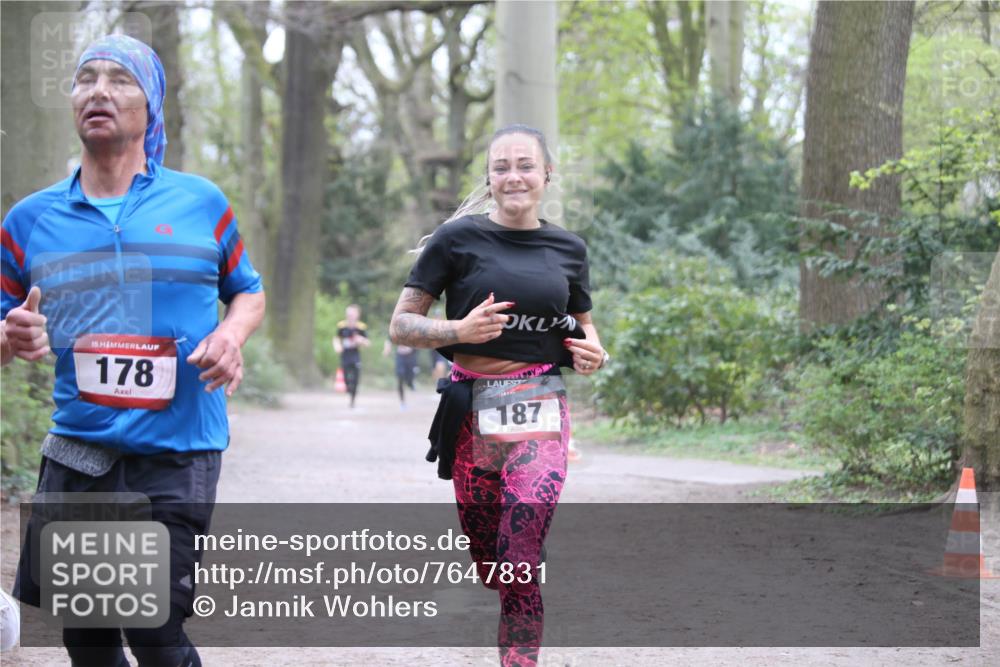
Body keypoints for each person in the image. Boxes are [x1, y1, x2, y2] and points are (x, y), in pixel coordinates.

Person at [1, 34, 265, 667]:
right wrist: (9, 337)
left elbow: (248, 292)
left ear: (152, 106)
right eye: (85, 78)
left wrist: (230, 336)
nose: (99, 91)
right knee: (87, 639)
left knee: (153, 629)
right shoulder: (29, 220)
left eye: (120, 79)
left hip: (178, 450)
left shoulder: (199, 202)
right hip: (80, 450)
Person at [389, 124, 608, 667]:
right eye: (502, 166)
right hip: (471, 410)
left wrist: (594, 352)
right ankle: (505, 558)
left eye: (526, 165)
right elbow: (401, 325)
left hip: (541, 404)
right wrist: (459, 331)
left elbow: (585, 326)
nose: (514, 175)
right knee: (491, 558)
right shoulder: (455, 240)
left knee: (520, 551)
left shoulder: (568, 248)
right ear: (489, 178)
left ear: (546, 175)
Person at [332, 304, 370, 408]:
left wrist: (361, 340)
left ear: (357, 315)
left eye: (352, 314)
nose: (350, 316)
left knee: (356, 378)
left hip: (355, 355)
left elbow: (367, 343)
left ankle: (353, 400)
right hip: (345, 355)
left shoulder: (361, 327)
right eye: (348, 313)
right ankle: (348, 389)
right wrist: (337, 346)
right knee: (346, 377)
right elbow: (336, 338)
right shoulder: (341, 326)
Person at [383, 339, 419, 408]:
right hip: (400, 357)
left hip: (411, 357)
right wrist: (386, 349)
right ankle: (402, 402)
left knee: (410, 377)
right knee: (400, 376)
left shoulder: (412, 330)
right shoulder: (396, 330)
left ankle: (410, 384)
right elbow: (388, 340)